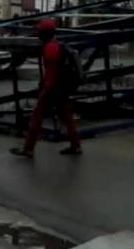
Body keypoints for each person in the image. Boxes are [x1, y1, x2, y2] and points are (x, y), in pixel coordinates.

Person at [11, 18, 82, 159]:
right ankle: (76, 145)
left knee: (36, 117)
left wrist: (45, 89)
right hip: (61, 88)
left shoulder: (49, 47)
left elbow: (52, 71)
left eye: (39, 31)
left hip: (52, 89)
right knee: (66, 117)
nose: (37, 34)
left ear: (45, 33)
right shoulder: (58, 45)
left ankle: (28, 149)